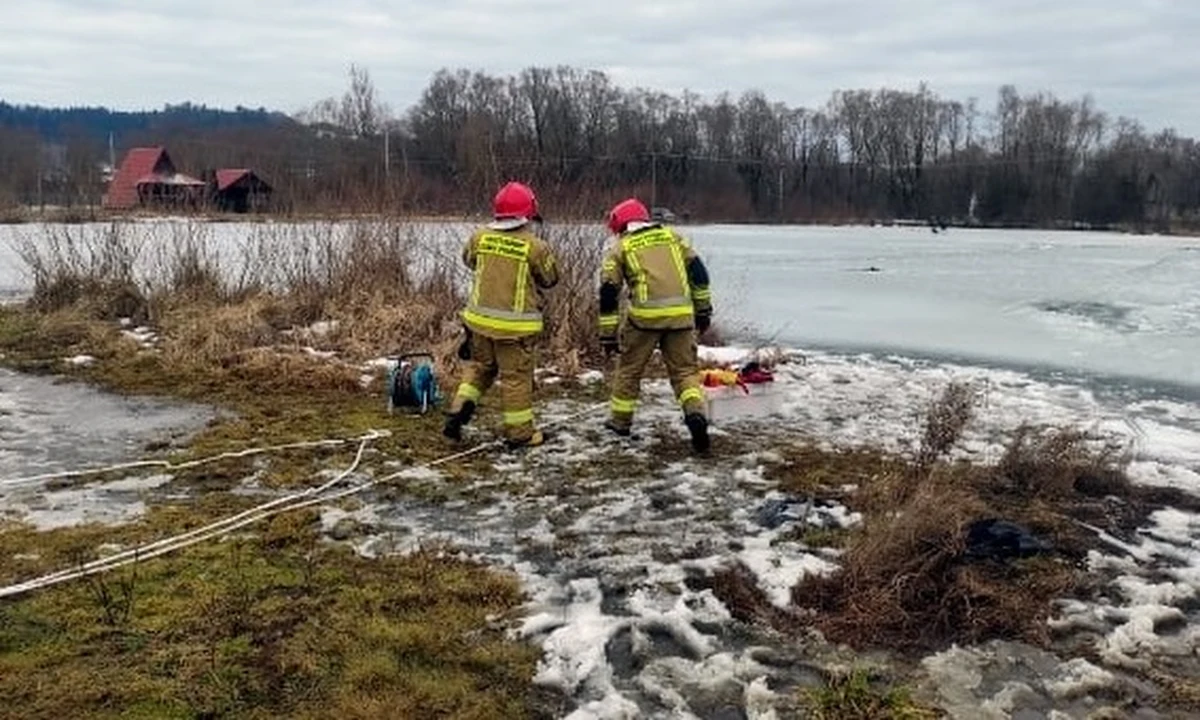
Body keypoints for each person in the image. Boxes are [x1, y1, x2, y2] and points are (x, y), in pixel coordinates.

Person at [443, 181, 559, 448]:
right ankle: (520, 434)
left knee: (479, 370)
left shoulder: (479, 237)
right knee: (516, 380)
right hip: (515, 331)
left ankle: (457, 412)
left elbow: (468, 261)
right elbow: (550, 278)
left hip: (479, 324)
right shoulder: (536, 247)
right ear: (527, 214)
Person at [599, 197, 713, 453]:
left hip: (643, 320)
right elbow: (699, 273)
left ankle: (620, 423)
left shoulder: (620, 249)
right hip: (681, 318)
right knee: (684, 373)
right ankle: (695, 415)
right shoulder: (674, 238)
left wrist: (607, 335)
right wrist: (703, 311)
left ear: (620, 227)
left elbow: (608, 292)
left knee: (629, 371)